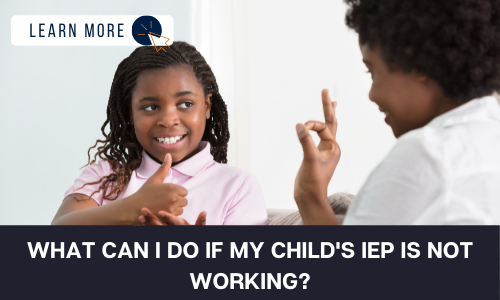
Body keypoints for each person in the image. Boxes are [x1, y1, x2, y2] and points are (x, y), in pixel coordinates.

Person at [294, 0, 500, 225]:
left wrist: (309, 196)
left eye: (372, 72)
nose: (372, 95)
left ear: (420, 65)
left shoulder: (427, 154)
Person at [52, 42, 267, 226]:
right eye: (150, 107)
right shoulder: (105, 176)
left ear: (207, 106)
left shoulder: (237, 186)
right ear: (130, 113)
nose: (168, 120)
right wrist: (134, 207)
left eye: (185, 103)